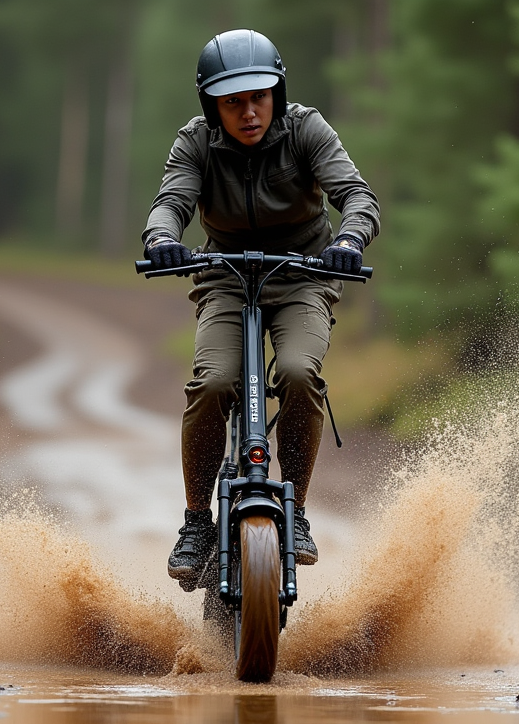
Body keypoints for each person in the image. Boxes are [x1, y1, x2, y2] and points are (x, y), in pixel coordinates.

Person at [142, 29, 379, 588]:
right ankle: (197, 520)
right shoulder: (195, 142)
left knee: (299, 372)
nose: (248, 112)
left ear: (277, 92)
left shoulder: (306, 130)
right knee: (213, 380)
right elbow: (170, 203)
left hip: (304, 274)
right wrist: (160, 240)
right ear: (212, 106)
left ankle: (295, 513)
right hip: (224, 275)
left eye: (259, 98)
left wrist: (348, 242)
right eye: (232, 102)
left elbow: (356, 194)